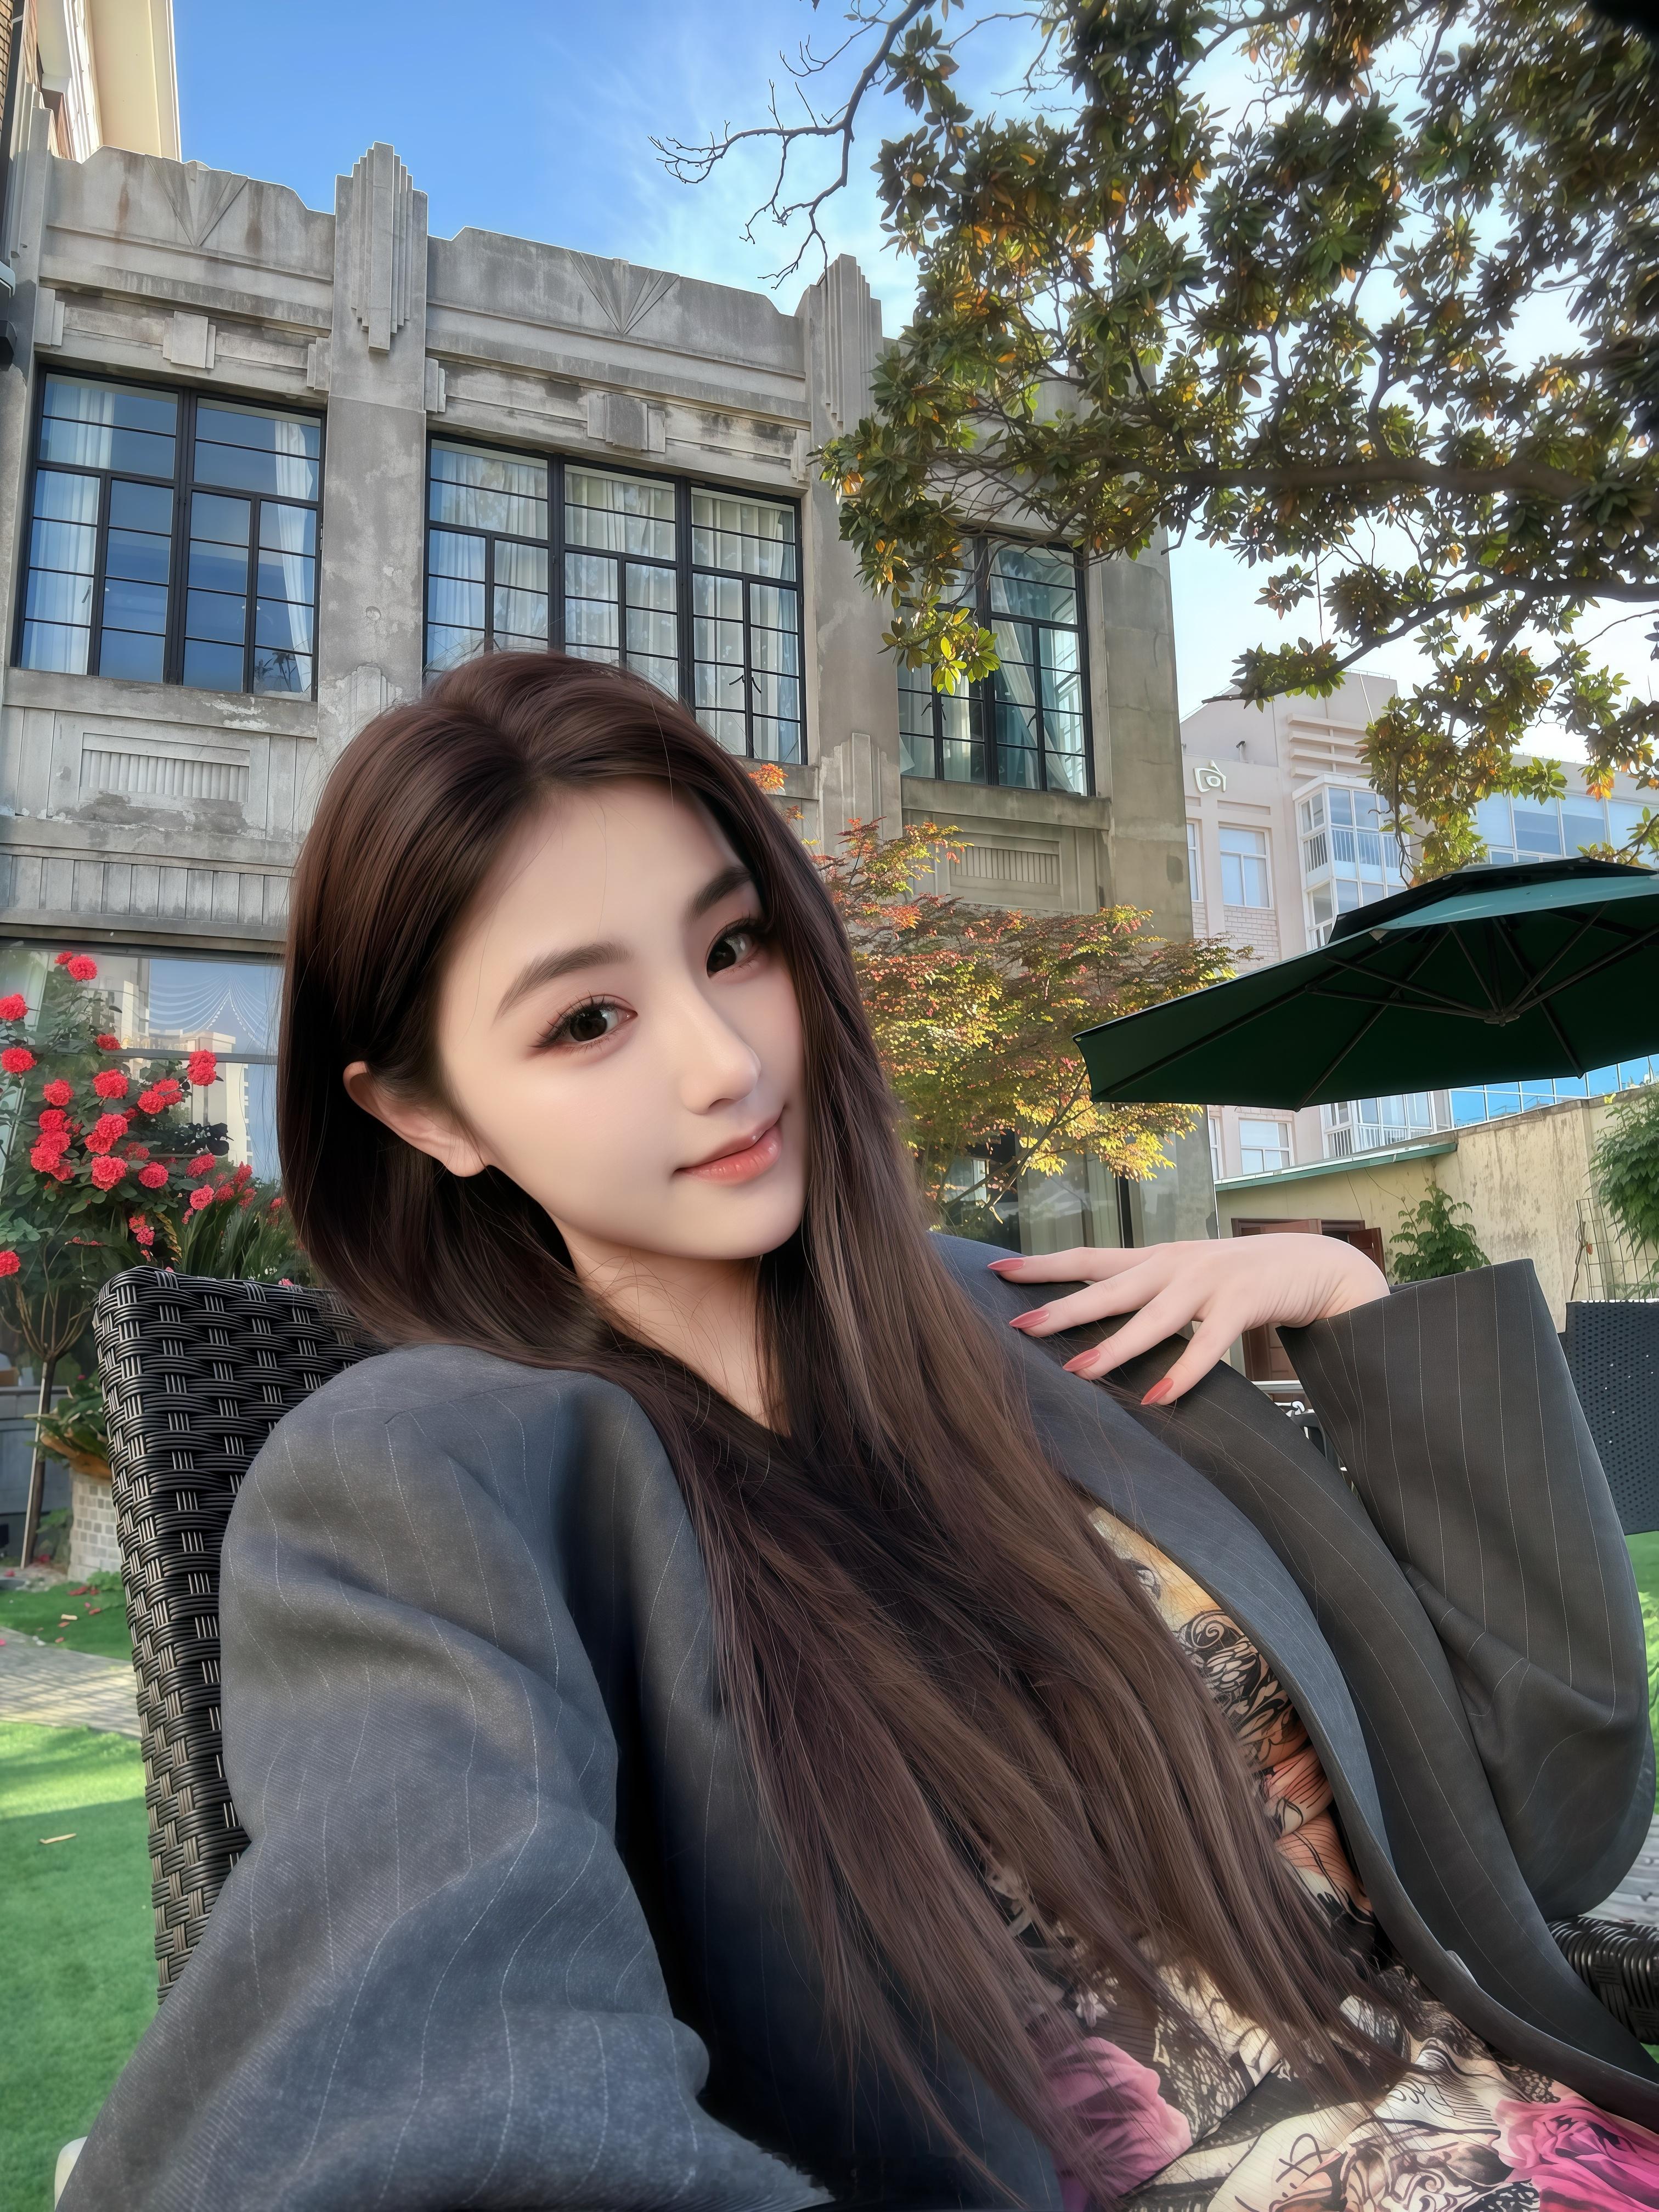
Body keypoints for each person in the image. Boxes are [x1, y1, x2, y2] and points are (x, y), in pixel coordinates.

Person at [61, 652, 1659, 2212]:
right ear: (427, 1115)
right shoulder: (424, 1479)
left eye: (734, 945)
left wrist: (1353, 1308)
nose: (726, 1060)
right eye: (588, 1021)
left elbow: (1551, 1819)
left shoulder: (1047, 1329)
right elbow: (430, 2076)